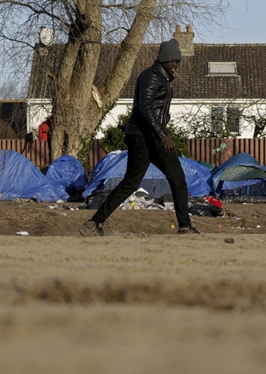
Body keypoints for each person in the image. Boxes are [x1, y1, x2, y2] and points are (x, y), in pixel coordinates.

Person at [79, 38, 199, 236]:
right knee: (131, 183)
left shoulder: (163, 79)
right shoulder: (150, 77)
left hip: (153, 136)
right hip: (142, 137)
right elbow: (145, 108)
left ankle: (185, 226)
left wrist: (160, 134)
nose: (176, 64)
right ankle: (93, 224)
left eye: (178, 61)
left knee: (177, 179)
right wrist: (163, 134)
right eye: (173, 61)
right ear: (164, 59)